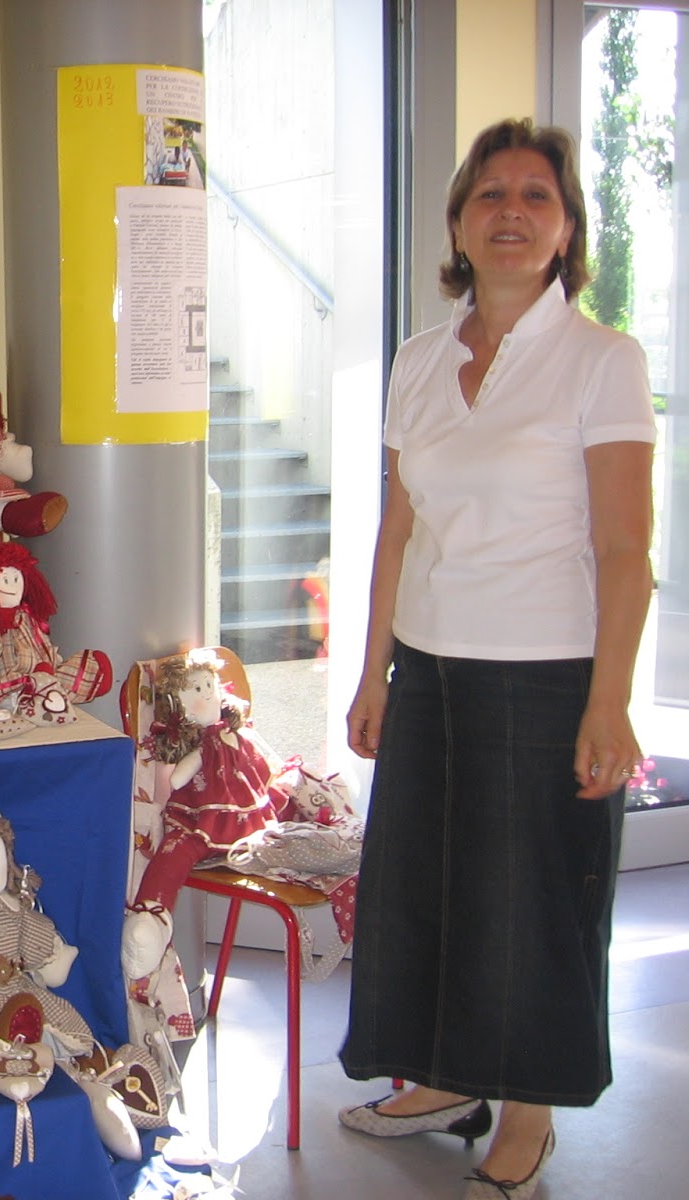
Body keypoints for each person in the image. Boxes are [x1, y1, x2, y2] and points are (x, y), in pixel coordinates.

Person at [338, 118, 656, 1199]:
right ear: (459, 224)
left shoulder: (602, 361)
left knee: (531, 906)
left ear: (566, 230)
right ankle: (442, 1077)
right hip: (430, 669)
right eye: (490, 194)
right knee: (426, 894)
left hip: (548, 672)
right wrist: (374, 672)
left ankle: (527, 1111)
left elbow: (625, 550)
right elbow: (396, 530)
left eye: (536, 196)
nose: (510, 211)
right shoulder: (418, 361)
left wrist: (609, 703)